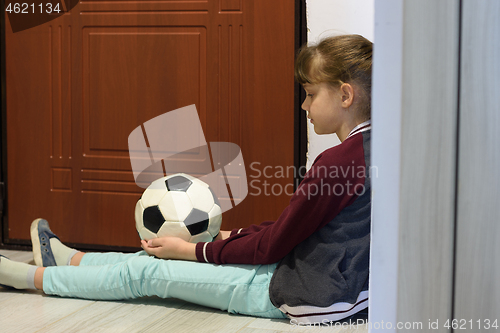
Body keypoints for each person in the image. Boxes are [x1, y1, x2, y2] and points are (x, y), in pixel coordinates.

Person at [0, 34, 373, 324]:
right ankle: (71, 259)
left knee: (149, 273)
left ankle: (26, 278)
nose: (304, 106)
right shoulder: (375, 149)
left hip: (307, 295)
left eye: (309, 95)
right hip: (330, 282)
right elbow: (295, 229)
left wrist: (197, 251)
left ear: (344, 95)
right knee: (167, 256)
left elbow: (276, 245)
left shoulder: (338, 162)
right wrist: (235, 236)